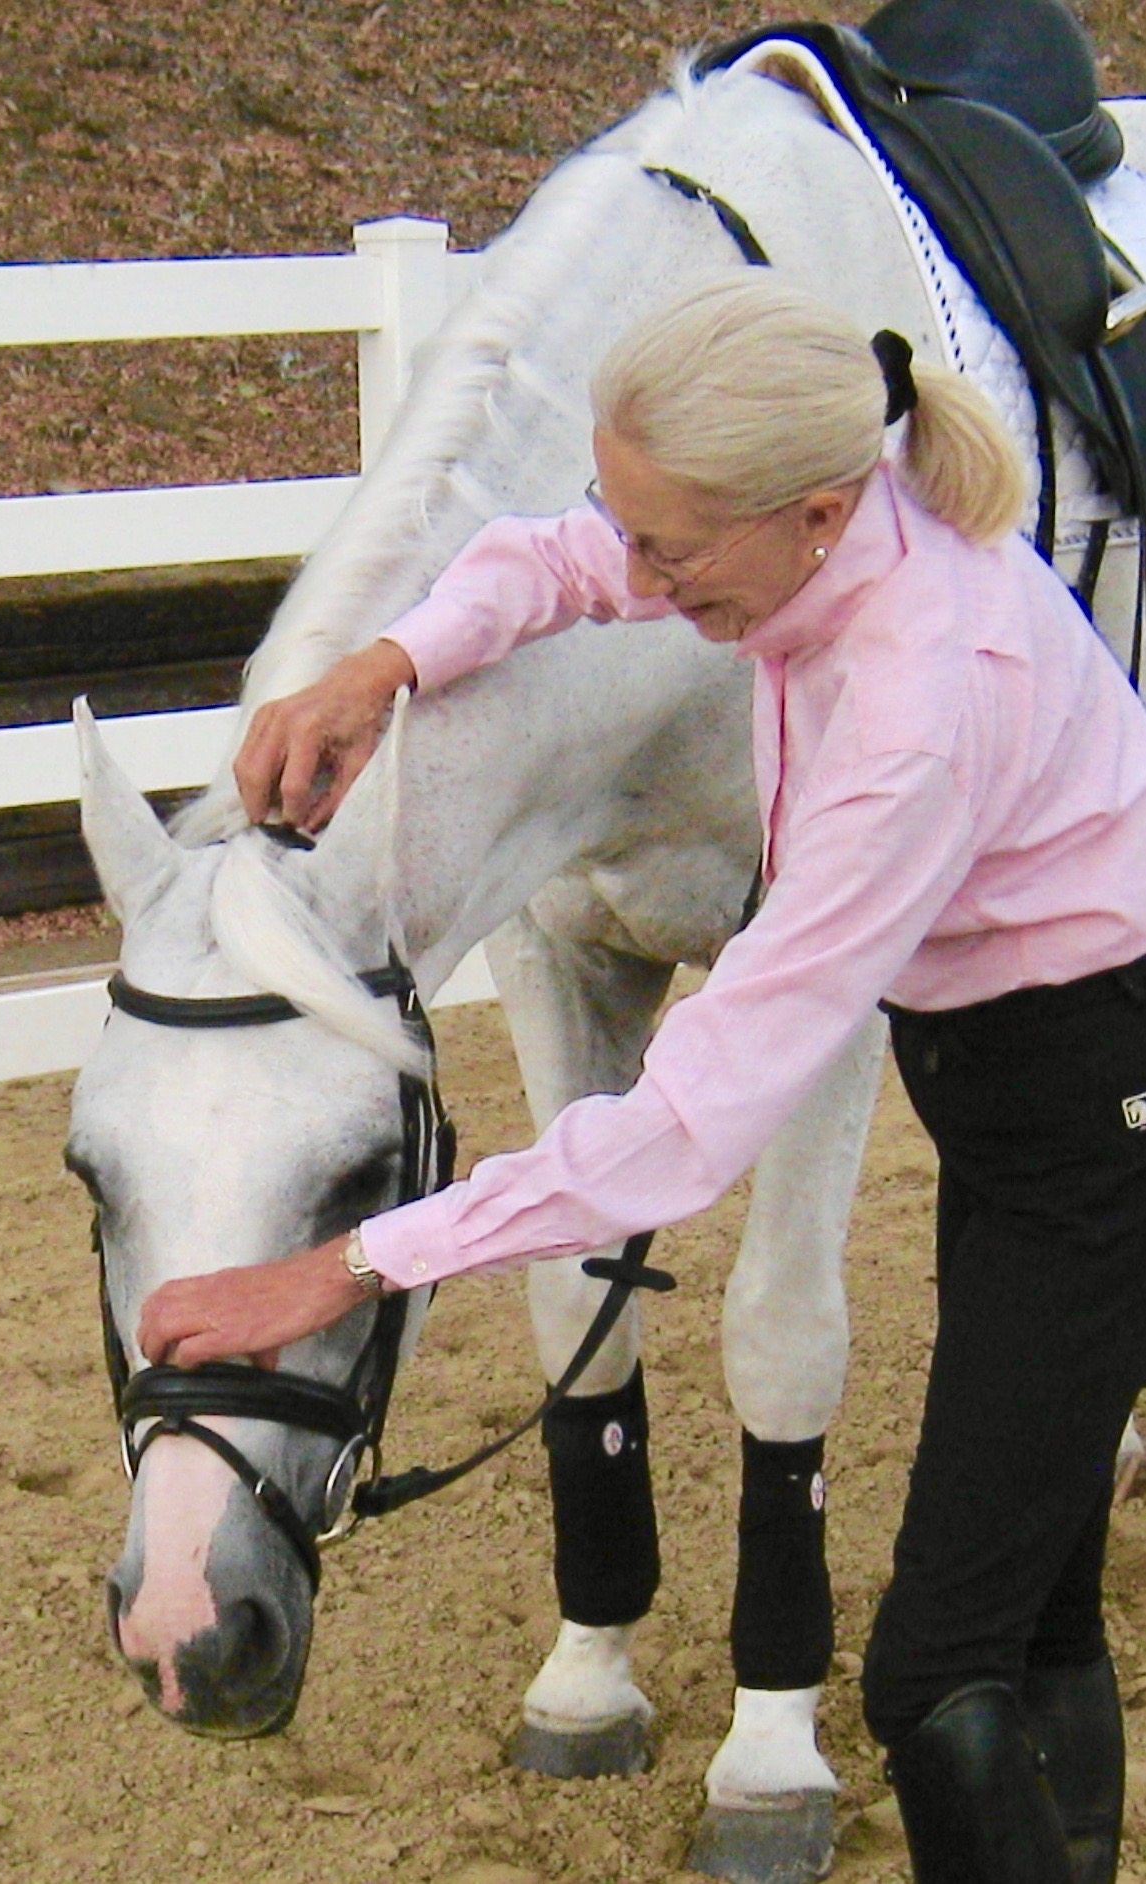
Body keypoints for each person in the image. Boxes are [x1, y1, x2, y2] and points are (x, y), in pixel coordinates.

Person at [138, 272, 1146, 1884]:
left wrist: (337, 1269)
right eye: (635, 527)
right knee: (1028, 1598)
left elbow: (686, 1129)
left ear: (813, 512)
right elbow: (556, 557)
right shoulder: (811, 524)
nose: (642, 573)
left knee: (928, 1671)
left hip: (1093, 1103)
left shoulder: (916, 707)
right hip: (1014, 1072)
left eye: (671, 549)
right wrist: (383, 664)